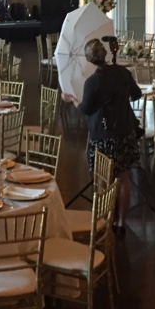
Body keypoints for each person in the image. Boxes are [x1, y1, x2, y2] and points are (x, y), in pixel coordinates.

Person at [63, 38, 142, 235]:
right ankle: (121, 223)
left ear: (89, 59)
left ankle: (104, 219)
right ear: (104, 54)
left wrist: (72, 99)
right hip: (125, 130)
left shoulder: (93, 82)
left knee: (102, 176)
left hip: (103, 133)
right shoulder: (123, 72)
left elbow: (86, 109)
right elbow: (137, 94)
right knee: (123, 177)